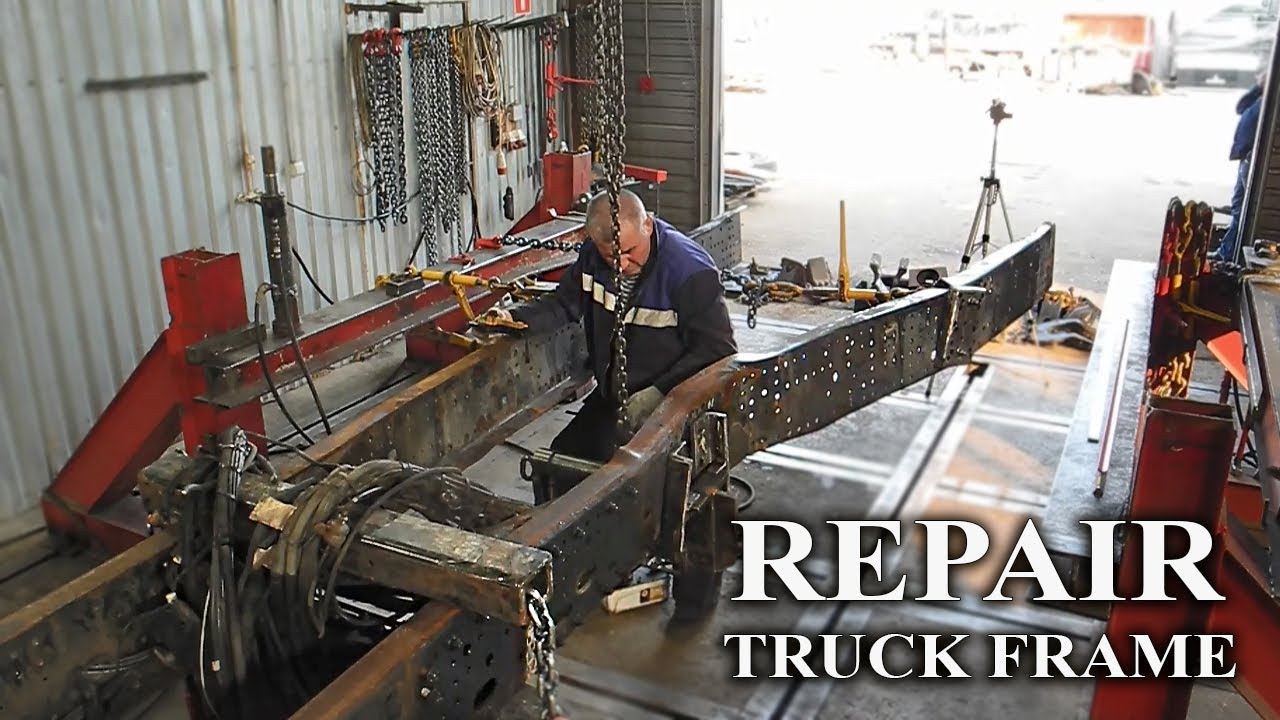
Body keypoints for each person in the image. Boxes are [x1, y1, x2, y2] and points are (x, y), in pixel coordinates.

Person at [487, 188, 737, 466]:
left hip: (671, 405)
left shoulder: (690, 272)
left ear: (648, 224)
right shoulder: (592, 256)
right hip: (615, 398)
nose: (621, 265)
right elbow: (565, 302)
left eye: (629, 251)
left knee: (629, 478)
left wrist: (659, 392)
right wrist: (517, 317)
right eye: (611, 257)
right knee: (559, 464)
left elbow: (718, 349)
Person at [1213, 69, 1266, 263]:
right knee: (1238, 207)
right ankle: (1227, 251)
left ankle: (1228, 253)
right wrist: (1259, 87)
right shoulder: (1261, 98)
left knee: (1242, 210)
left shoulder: (1268, 103)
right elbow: (1240, 106)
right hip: (1245, 158)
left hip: (1251, 159)